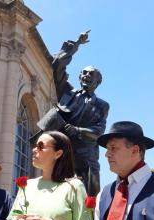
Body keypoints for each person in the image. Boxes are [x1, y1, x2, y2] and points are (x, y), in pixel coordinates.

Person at [36, 30, 109, 196]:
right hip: (62, 151)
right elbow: (57, 65)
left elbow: (99, 131)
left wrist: (78, 131)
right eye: (84, 73)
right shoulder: (67, 92)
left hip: (86, 155)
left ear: (98, 81)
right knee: (58, 190)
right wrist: (76, 44)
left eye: (91, 74)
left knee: (90, 193)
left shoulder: (102, 105)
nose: (86, 75)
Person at [7, 131, 89, 220]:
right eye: (34, 145)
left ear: (58, 153)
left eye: (40, 146)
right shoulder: (27, 186)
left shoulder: (74, 186)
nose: (34, 149)